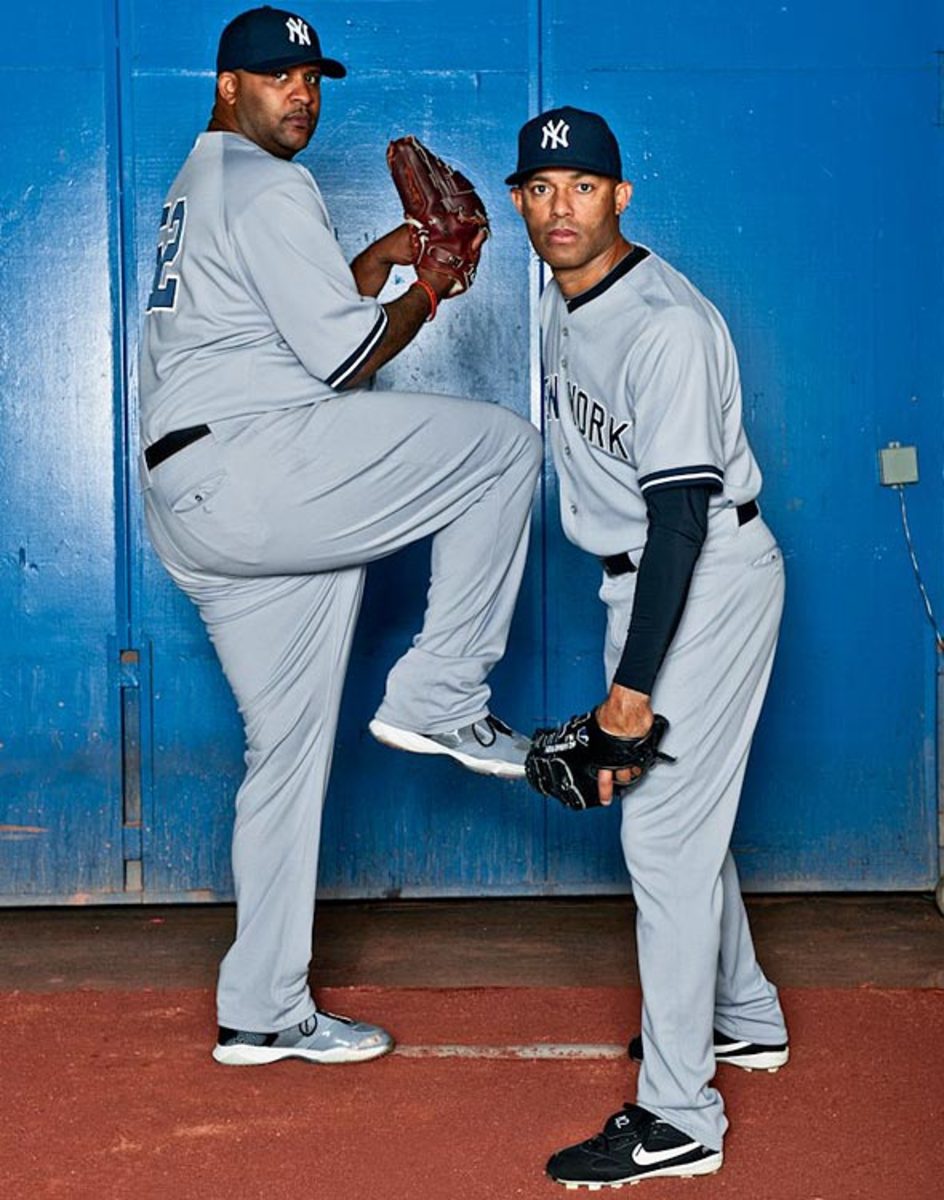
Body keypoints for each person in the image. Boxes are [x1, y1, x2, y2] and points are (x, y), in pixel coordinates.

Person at [138, 5, 541, 1067]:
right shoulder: (268, 183)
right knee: (500, 449)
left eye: (313, 79)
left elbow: (299, 320)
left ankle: (262, 1008)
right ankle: (443, 697)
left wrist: (389, 255)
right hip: (259, 468)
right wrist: (429, 291)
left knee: (284, 755)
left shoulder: (203, 184)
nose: (301, 94)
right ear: (229, 85)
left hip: (200, 499)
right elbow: (345, 359)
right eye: (278, 78)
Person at [508, 106, 789, 1187]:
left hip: (700, 575)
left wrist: (629, 694)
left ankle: (677, 1118)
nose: (559, 206)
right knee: (687, 818)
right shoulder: (555, 296)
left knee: (660, 842)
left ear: (620, 197)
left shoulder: (663, 326)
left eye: (581, 187)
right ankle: (745, 1015)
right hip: (646, 579)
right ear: (521, 199)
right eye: (538, 187)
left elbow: (677, 516)